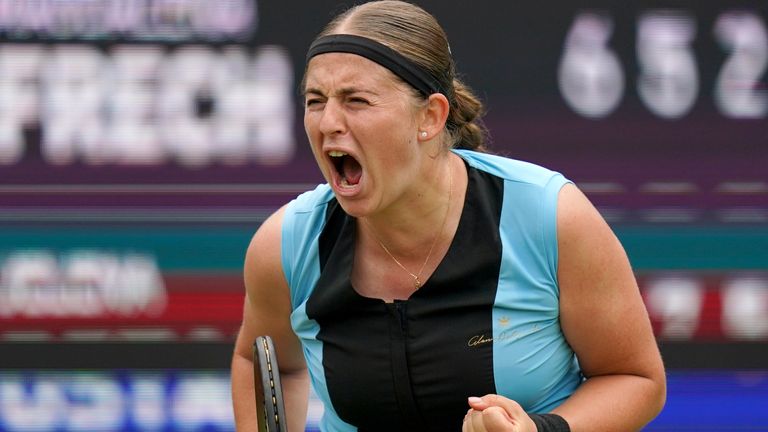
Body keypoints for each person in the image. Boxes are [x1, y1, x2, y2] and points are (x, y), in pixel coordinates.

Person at [231, 1, 667, 431]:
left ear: (431, 116)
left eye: (356, 100)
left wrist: (539, 430)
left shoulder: (548, 215)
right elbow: (264, 359)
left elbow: (634, 379)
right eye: (314, 100)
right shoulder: (286, 244)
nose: (328, 122)